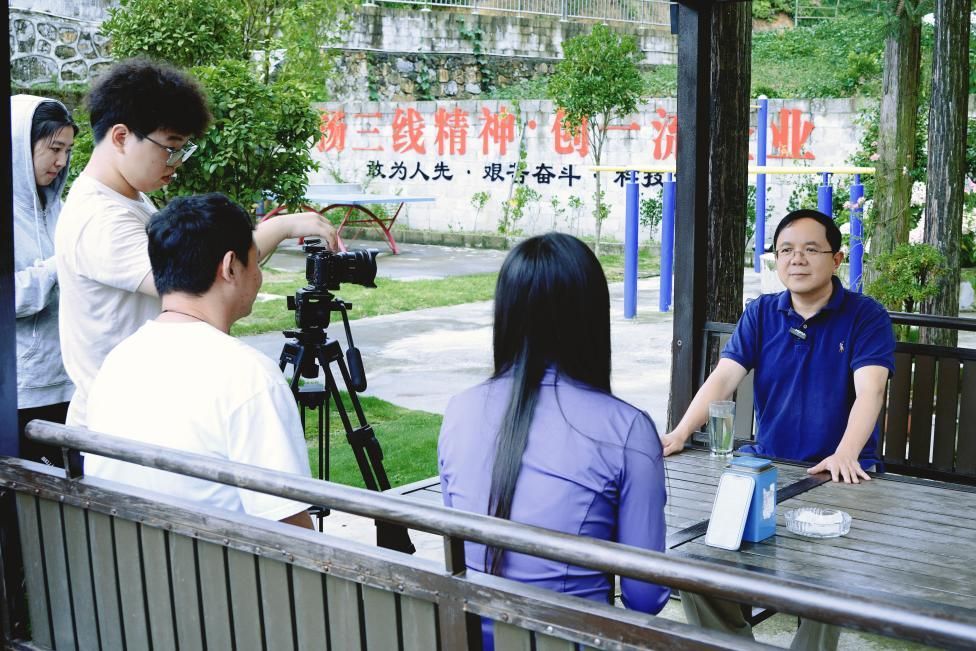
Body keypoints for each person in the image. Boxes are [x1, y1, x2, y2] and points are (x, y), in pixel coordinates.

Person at [55, 58, 338, 429]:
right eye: (171, 148)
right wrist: (281, 227)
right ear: (121, 137)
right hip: (119, 424)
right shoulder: (99, 218)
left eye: (183, 150)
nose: (177, 162)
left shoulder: (128, 197)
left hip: (138, 410)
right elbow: (196, 278)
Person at [663, 209, 896, 650]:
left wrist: (846, 453)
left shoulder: (865, 316)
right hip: (767, 468)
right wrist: (679, 433)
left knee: (824, 583)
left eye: (811, 249)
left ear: (837, 259)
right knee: (697, 561)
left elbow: (872, 391)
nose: (797, 259)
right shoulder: (762, 312)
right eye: (786, 250)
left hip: (839, 473)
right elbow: (723, 379)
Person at [438, 233, 670, 650]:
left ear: (506, 313)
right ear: (591, 317)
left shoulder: (459, 411)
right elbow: (645, 597)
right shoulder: (628, 428)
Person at [85, 194, 313, 528]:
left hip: (124, 554)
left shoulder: (117, 361)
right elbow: (291, 534)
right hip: (218, 559)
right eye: (256, 261)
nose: (257, 274)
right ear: (230, 267)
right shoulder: (249, 376)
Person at [12, 95, 79, 466]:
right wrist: (58, 265)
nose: (62, 162)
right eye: (54, 149)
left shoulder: (58, 207)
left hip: (67, 379)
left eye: (67, 150)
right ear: (20, 145)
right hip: (22, 390)